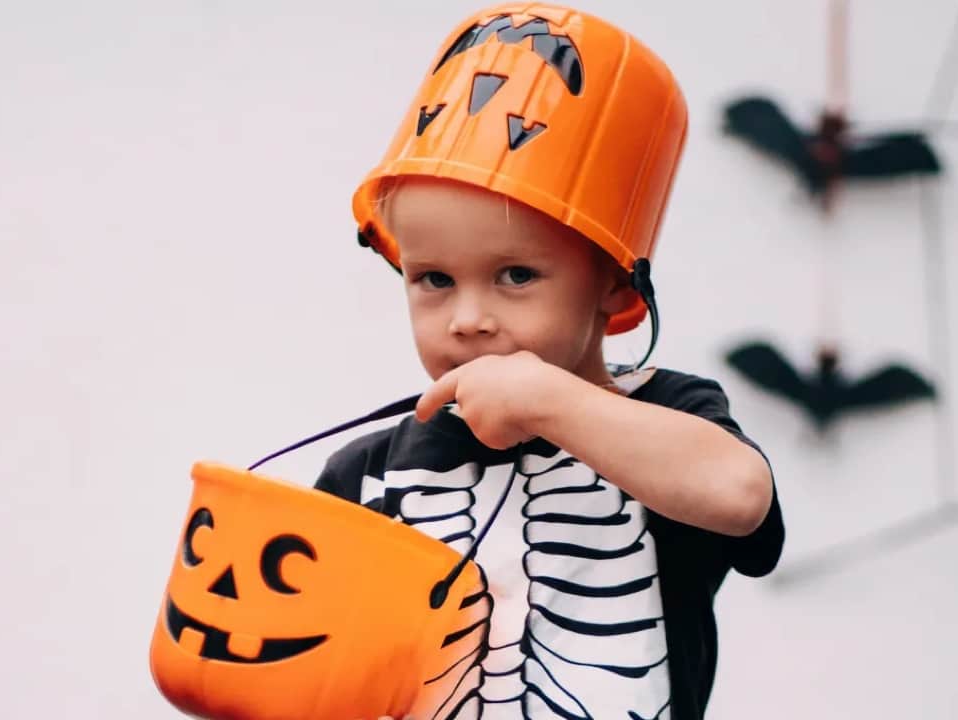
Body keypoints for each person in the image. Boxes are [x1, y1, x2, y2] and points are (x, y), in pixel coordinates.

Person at [312, 5, 784, 719]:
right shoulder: (367, 473)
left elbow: (742, 496)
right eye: (434, 279)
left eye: (516, 276)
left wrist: (548, 401)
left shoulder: (665, 421)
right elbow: (310, 659)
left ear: (615, 288)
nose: (468, 318)